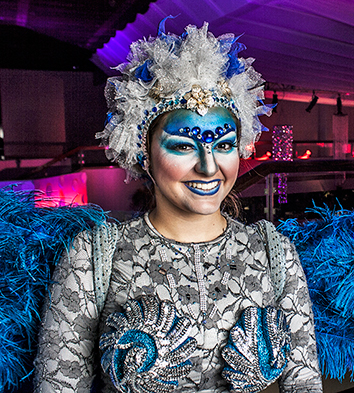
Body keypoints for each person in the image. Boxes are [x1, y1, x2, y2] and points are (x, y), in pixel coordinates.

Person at [33, 20, 323, 392]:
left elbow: (305, 383)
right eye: (184, 146)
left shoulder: (275, 253)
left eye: (223, 145)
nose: (208, 167)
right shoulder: (93, 258)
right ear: (143, 153)